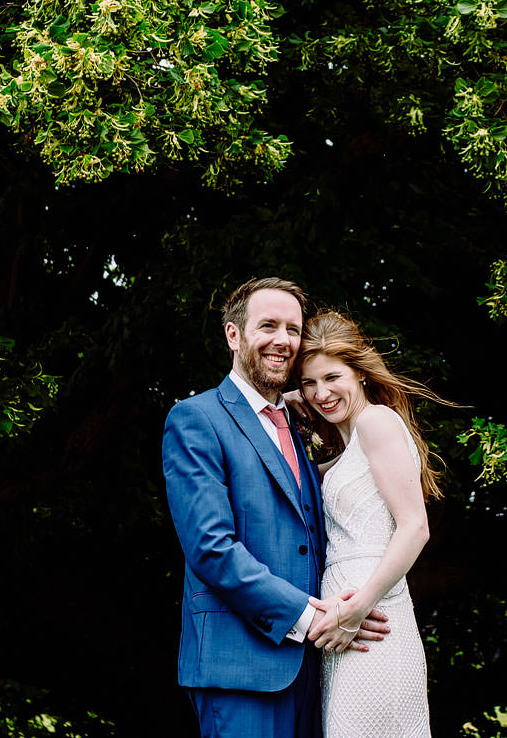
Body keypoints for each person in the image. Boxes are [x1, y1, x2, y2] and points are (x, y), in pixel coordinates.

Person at [162, 277, 389, 738]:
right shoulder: (196, 418)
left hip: (317, 666)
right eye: (268, 326)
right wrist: (311, 619)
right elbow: (211, 548)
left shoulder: (301, 419)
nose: (282, 340)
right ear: (233, 335)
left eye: (292, 329)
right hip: (240, 666)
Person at [294, 310, 452, 738]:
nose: (320, 393)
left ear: (360, 372)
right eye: (309, 383)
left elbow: (415, 527)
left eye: (332, 377)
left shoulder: (374, 421)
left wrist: (359, 605)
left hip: (372, 620)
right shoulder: (346, 443)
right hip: (345, 624)